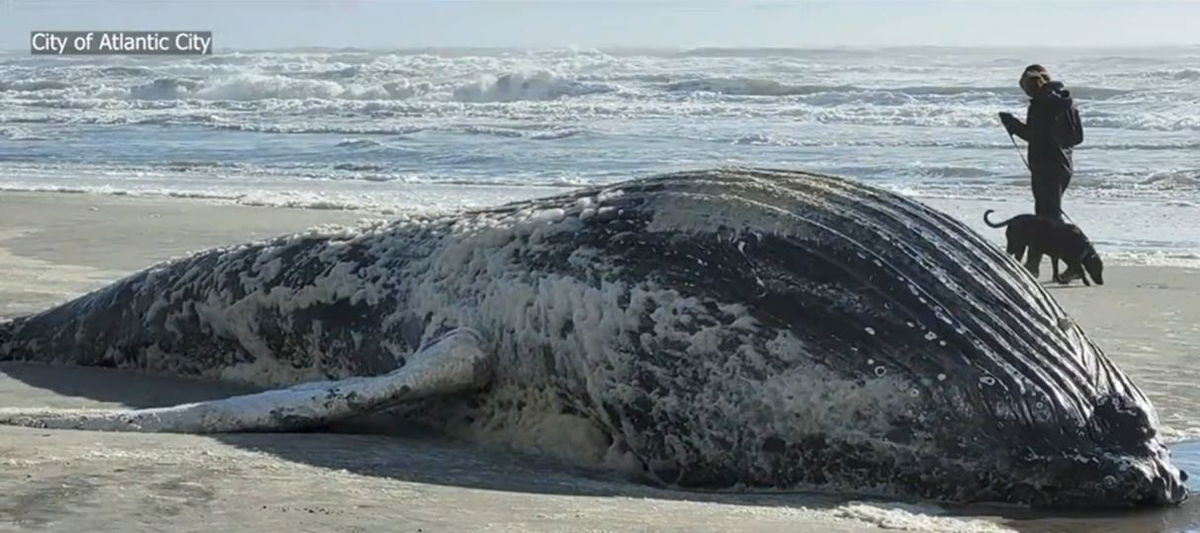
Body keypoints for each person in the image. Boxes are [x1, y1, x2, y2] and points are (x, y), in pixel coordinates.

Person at [999, 64, 1084, 221]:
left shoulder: (1041, 105)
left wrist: (1012, 124)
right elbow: (1077, 137)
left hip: (1044, 164)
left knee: (1046, 214)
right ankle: (1053, 244)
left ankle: (1054, 245)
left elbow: (1035, 136)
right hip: (1064, 165)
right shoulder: (1068, 103)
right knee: (1052, 210)